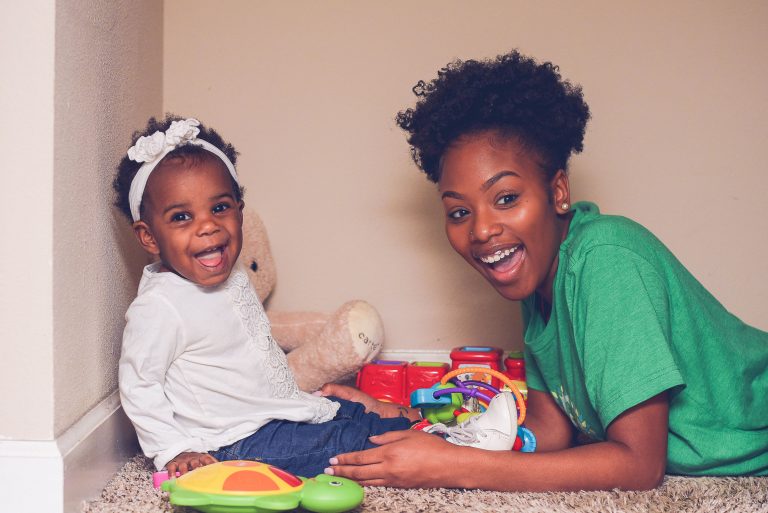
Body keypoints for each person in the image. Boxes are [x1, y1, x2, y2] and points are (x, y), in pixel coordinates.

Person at [321, 50, 768, 491]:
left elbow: (638, 466)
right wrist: (401, 416)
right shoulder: (538, 282)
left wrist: (455, 466)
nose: (480, 229)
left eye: (506, 198)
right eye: (458, 212)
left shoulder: (605, 257)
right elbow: (547, 430)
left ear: (557, 192)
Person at [114, 115, 414, 478]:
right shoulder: (160, 305)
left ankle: (407, 425)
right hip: (232, 441)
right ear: (148, 237)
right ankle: (435, 442)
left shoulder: (232, 274)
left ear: (240, 212)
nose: (208, 225)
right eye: (182, 216)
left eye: (220, 207)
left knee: (337, 407)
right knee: (339, 442)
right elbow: (139, 386)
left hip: (274, 412)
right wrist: (174, 450)